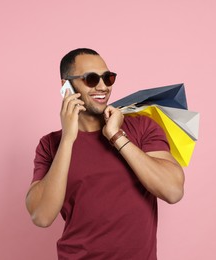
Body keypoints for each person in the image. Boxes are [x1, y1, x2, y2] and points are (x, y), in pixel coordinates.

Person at [25, 48, 185, 259]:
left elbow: (173, 191)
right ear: (66, 86)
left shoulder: (142, 127)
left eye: (108, 78)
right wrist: (68, 139)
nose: (102, 86)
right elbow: (41, 216)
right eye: (91, 79)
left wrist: (116, 136)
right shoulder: (51, 145)